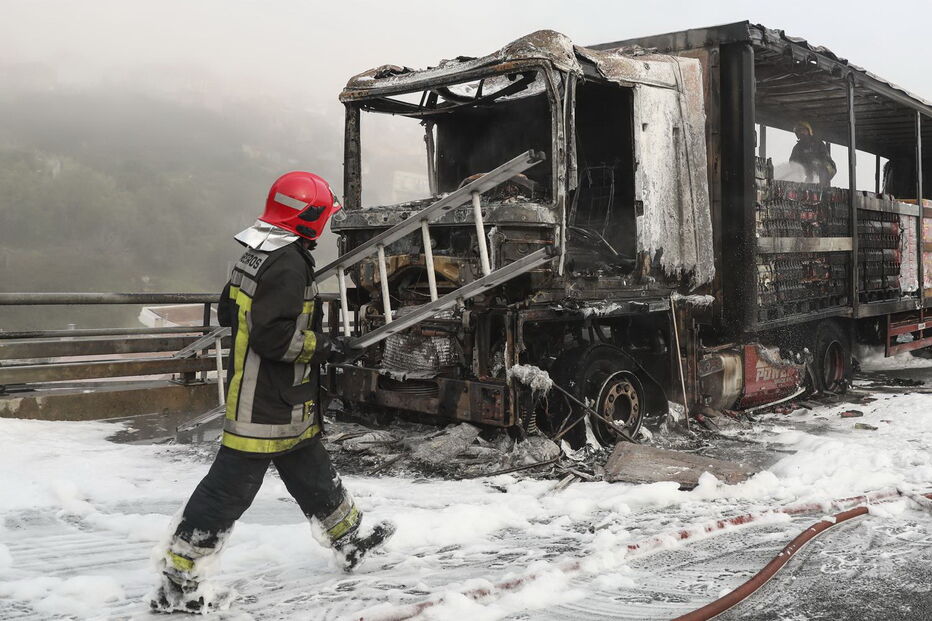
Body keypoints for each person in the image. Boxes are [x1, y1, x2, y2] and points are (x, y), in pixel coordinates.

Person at [152, 171, 394, 613]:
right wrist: (328, 347)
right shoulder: (288, 262)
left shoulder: (258, 250)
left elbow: (229, 311)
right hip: (263, 405)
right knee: (226, 494)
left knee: (313, 473)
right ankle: (177, 581)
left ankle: (351, 540)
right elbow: (273, 339)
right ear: (311, 217)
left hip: (284, 401)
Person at [789, 121, 837, 185]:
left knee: (822, 169)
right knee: (807, 180)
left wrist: (816, 162)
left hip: (828, 168)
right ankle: (809, 187)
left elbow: (825, 158)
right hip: (810, 172)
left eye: (803, 130)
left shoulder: (818, 143)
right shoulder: (797, 147)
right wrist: (803, 167)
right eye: (799, 131)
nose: (801, 132)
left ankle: (823, 188)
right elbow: (792, 162)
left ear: (809, 131)